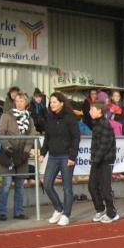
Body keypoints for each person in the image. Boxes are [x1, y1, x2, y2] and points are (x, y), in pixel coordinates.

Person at [39, 92, 80, 226]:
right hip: (53, 156)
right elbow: (47, 138)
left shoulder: (70, 118)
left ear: (61, 103)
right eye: (50, 102)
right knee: (47, 184)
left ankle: (66, 214)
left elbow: (76, 138)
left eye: (54, 102)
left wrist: (72, 157)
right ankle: (58, 209)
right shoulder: (49, 118)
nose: (52, 104)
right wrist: (42, 153)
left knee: (67, 188)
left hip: (66, 157)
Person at [0, 90, 34, 221]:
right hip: (8, 155)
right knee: (6, 184)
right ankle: (1, 211)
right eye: (17, 101)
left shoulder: (30, 119)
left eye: (21, 101)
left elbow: (31, 136)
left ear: (26, 103)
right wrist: (7, 147)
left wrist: (26, 151)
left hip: (22, 156)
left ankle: (19, 211)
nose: (19, 103)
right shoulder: (6, 116)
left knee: (20, 186)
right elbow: (0, 133)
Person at [88, 101, 119, 223]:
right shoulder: (96, 124)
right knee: (92, 186)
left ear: (99, 111)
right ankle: (100, 209)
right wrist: (95, 159)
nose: (90, 111)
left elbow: (104, 146)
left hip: (106, 160)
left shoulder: (105, 124)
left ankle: (112, 213)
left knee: (106, 188)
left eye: (92, 109)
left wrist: (95, 160)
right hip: (97, 160)